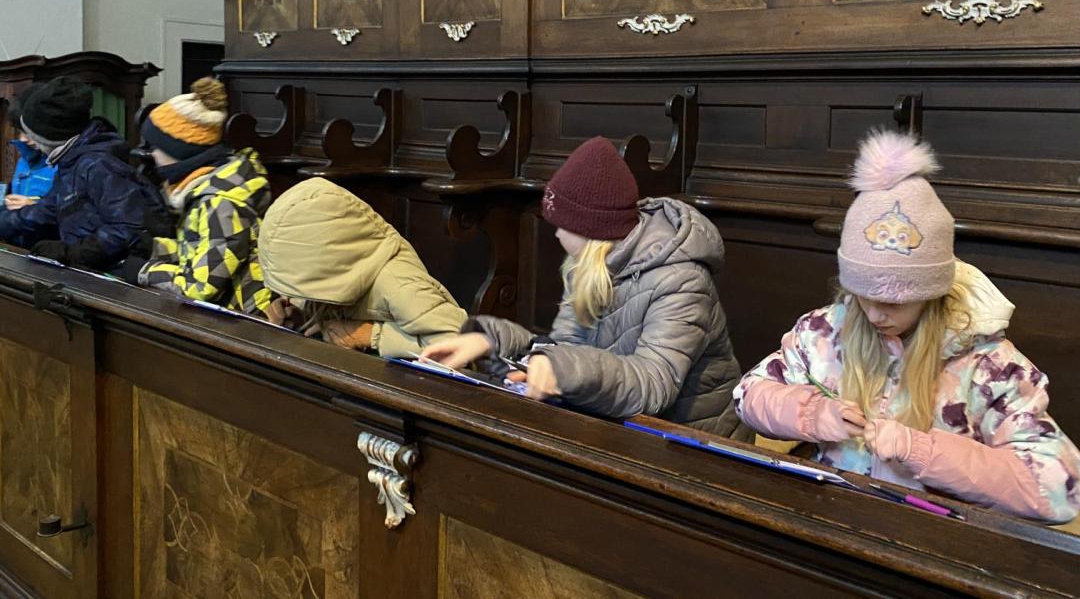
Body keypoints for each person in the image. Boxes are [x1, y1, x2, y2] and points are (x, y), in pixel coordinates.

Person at [733, 130, 1080, 523]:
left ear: (931, 294)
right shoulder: (824, 332)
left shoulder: (990, 366)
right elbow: (748, 395)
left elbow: (1059, 490)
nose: (874, 315)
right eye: (861, 295)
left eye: (894, 303)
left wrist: (921, 450)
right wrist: (813, 414)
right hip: (832, 518)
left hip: (930, 536)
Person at [421, 136, 744, 436]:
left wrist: (562, 367)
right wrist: (491, 342)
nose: (557, 233)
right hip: (620, 428)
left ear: (592, 228)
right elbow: (567, 351)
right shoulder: (588, 265)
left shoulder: (681, 279)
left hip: (693, 441)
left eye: (563, 225)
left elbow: (653, 384)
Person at [256, 178, 467, 353]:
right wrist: (302, 315)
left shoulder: (399, 284)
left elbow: (461, 344)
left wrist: (369, 335)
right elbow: (333, 300)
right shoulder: (343, 267)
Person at [134, 78, 273, 315]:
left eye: (156, 147)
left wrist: (144, 271)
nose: (152, 154)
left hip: (244, 318)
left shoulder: (221, 202)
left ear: (179, 151)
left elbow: (201, 287)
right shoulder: (207, 185)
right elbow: (200, 251)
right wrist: (153, 248)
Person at [0, 76, 164, 271]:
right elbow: (47, 210)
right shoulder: (72, 160)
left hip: (111, 276)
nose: (28, 141)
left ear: (48, 135)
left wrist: (72, 253)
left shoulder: (98, 164)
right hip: (87, 270)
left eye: (31, 135)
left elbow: (128, 229)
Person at [5, 92, 57, 208]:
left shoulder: (67, 163)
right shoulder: (23, 160)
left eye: (29, 132)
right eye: (20, 132)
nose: (23, 139)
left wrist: (34, 205)